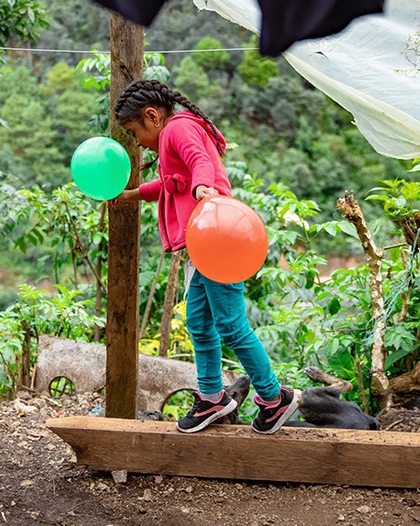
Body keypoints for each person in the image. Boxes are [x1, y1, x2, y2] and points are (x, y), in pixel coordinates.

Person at [111, 79, 299, 434]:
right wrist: (128, 195)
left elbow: (199, 163)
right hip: (203, 246)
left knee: (230, 324)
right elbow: (167, 185)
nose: (138, 142)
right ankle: (212, 396)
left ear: (152, 116)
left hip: (218, 241)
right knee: (199, 323)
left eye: (135, 132)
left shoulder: (176, 129)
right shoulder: (174, 136)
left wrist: (203, 187)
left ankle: (274, 400)